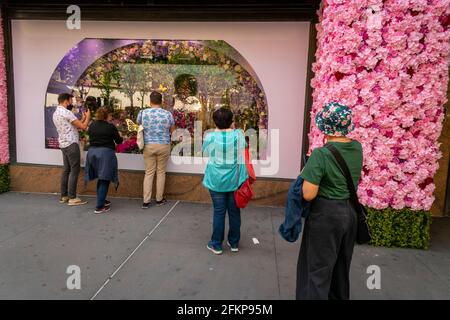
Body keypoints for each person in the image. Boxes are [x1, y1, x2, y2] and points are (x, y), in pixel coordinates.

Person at [297, 102, 363, 300]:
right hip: (349, 213)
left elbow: (308, 193)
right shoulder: (357, 148)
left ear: (324, 126)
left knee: (318, 270)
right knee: (341, 268)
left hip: (326, 216)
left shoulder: (321, 154)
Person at [202, 107, 248, 255]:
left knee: (219, 212)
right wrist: (233, 129)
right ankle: (234, 243)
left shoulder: (210, 136)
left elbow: (205, 151)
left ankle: (216, 244)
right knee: (234, 212)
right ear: (231, 121)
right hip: (234, 180)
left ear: (215, 122)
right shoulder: (238, 135)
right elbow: (244, 147)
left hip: (215, 180)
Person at [137, 91, 176, 209]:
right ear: (162, 101)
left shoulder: (142, 113)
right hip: (164, 145)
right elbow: (173, 131)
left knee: (149, 172)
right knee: (161, 172)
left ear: (150, 101)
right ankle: (159, 199)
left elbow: (139, 125)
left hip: (149, 145)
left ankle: (146, 201)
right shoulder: (168, 114)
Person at [53, 93, 91, 206]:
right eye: (70, 100)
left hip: (63, 144)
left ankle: (64, 196)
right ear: (66, 101)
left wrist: (82, 118)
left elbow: (73, 125)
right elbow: (83, 127)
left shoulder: (56, 113)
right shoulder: (67, 112)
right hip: (71, 144)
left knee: (66, 170)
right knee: (74, 170)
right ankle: (72, 198)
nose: (72, 103)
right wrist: (88, 117)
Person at [85, 107, 123, 214]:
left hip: (92, 153)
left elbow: (90, 136)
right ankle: (99, 207)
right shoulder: (110, 127)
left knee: (100, 178)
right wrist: (120, 137)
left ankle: (102, 200)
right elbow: (118, 141)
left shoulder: (92, 125)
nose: (111, 117)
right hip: (105, 154)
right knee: (104, 179)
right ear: (107, 116)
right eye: (110, 115)